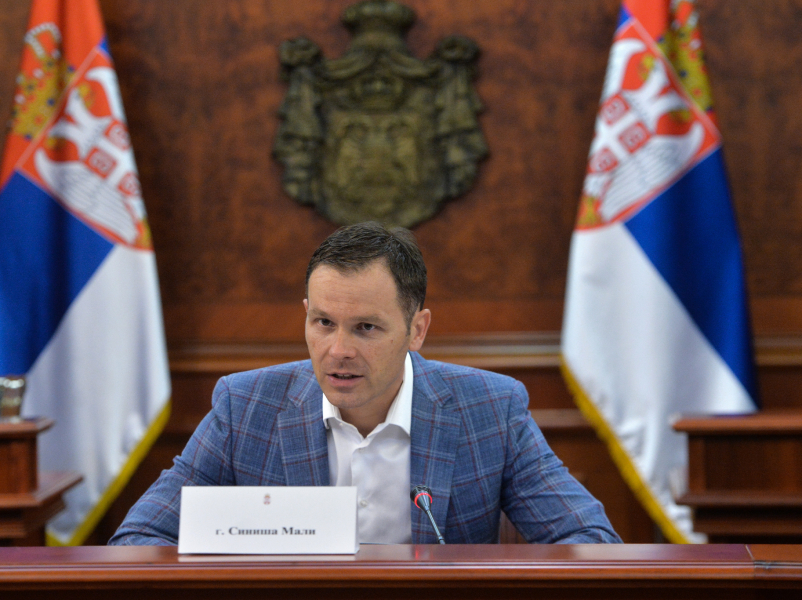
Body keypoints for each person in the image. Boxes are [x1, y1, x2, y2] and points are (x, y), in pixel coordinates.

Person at [110, 222, 621, 545]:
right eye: (323, 323)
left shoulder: (490, 409)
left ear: (416, 329)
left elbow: (587, 539)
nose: (339, 350)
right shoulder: (244, 408)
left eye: (366, 328)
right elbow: (140, 537)